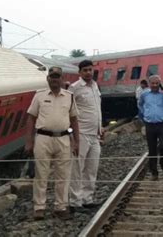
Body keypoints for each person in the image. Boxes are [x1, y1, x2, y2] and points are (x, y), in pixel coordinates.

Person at [25, 66, 80, 220]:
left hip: (63, 139)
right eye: (52, 76)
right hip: (43, 138)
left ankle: (60, 207)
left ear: (62, 79)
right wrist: (29, 141)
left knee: (63, 175)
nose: (54, 79)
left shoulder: (69, 97)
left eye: (57, 76)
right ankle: (39, 208)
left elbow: (74, 120)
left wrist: (76, 141)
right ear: (48, 78)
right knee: (41, 175)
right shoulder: (39, 96)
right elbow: (31, 118)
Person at [69, 60, 104, 211]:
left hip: (95, 135)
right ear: (80, 72)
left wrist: (100, 127)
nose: (88, 72)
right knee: (77, 169)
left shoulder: (95, 86)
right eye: (85, 70)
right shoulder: (74, 88)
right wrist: (73, 136)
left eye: (90, 70)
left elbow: (97, 109)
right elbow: (68, 111)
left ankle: (87, 199)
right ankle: (74, 202)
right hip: (81, 133)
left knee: (91, 169)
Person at [138, 75, 163, 180]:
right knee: (152, 149)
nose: (154, 85)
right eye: (152, 83)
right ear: (149, 84)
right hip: (150, 125)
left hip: (162, 124)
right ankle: (154, 173)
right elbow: (140, 104)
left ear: (160, 84)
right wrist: (145, 115)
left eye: (156, 83)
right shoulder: (144, 94)